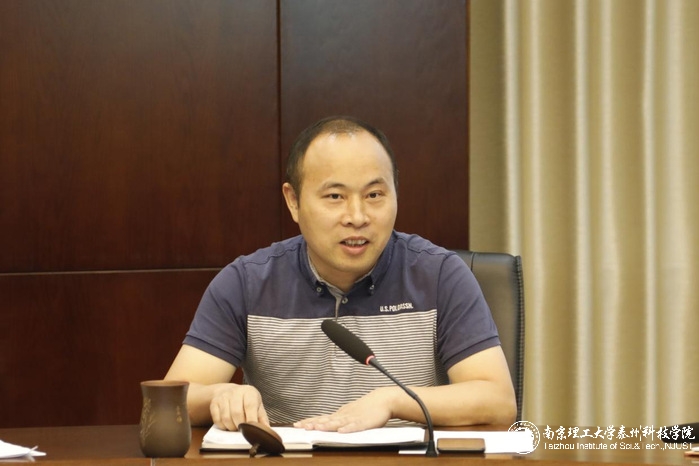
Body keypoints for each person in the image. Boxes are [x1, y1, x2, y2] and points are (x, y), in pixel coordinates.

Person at [164, 116, 516, 433]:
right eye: (335, 196)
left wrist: (392, 401)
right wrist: (219, 395)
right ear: (293, 201)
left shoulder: (439, 276)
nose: (357, 217)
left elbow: (498, 401)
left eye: (374, 194)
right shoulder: (246, 283)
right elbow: (169, 403)